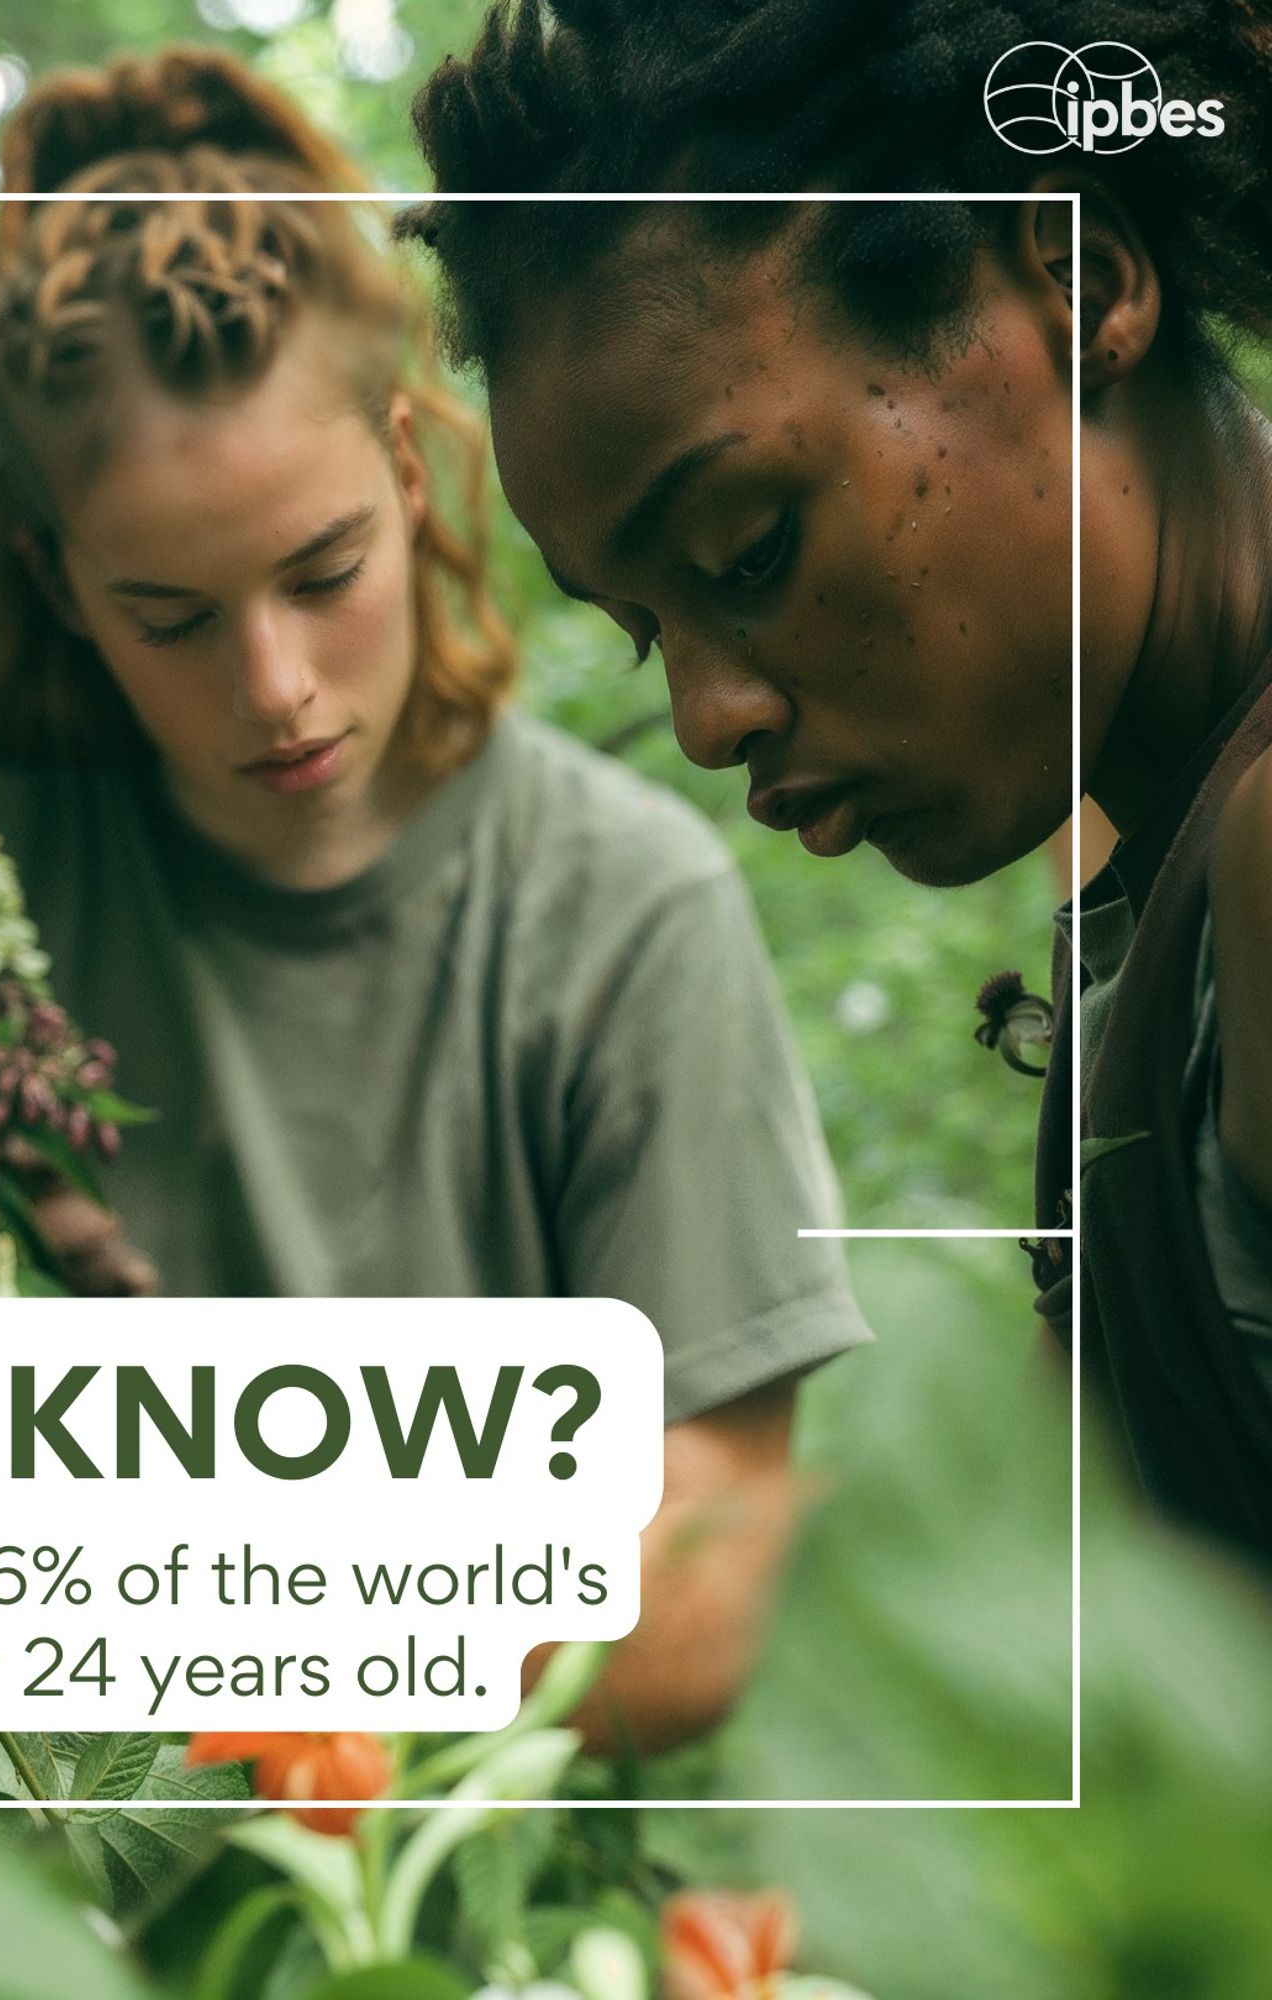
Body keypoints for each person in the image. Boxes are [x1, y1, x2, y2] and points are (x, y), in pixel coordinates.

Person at [0, 47, 872, 1750]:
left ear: (402, 459)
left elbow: (685, 1599)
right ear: (52, 581)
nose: (278, 683)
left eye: (324, 574)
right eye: (172, 616)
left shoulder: (619, 912)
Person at [402, 0, 1272, 1568]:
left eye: (750, 548)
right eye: (639, 630)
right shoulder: (1146, 881)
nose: (706, 717)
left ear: (1081, 284)